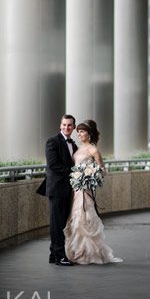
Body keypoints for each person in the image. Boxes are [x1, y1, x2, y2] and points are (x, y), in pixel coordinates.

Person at [63, 120, 123, 264]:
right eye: (78, 132)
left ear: (89, 134)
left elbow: (103, 170)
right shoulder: (78, 149)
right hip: (75, 189)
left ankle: (89, 254)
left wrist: (89, 176)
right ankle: (76, 252)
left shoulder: (93, 150)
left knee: (85, 217)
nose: (79, 134)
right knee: (74, 217)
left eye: (82, 131)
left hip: (85, 190)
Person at [43, 114, 78, 267]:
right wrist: (74, 171)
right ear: (60, 125)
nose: (67, 127)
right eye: (64, 125)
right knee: (57, 224)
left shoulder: (74, 144)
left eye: (69, 125)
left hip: (67, 189)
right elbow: (53, 165)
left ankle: (53, 255)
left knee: (61, 223)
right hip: (56, 189)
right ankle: (60, 256)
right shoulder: (52, 141)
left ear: (74, 127)